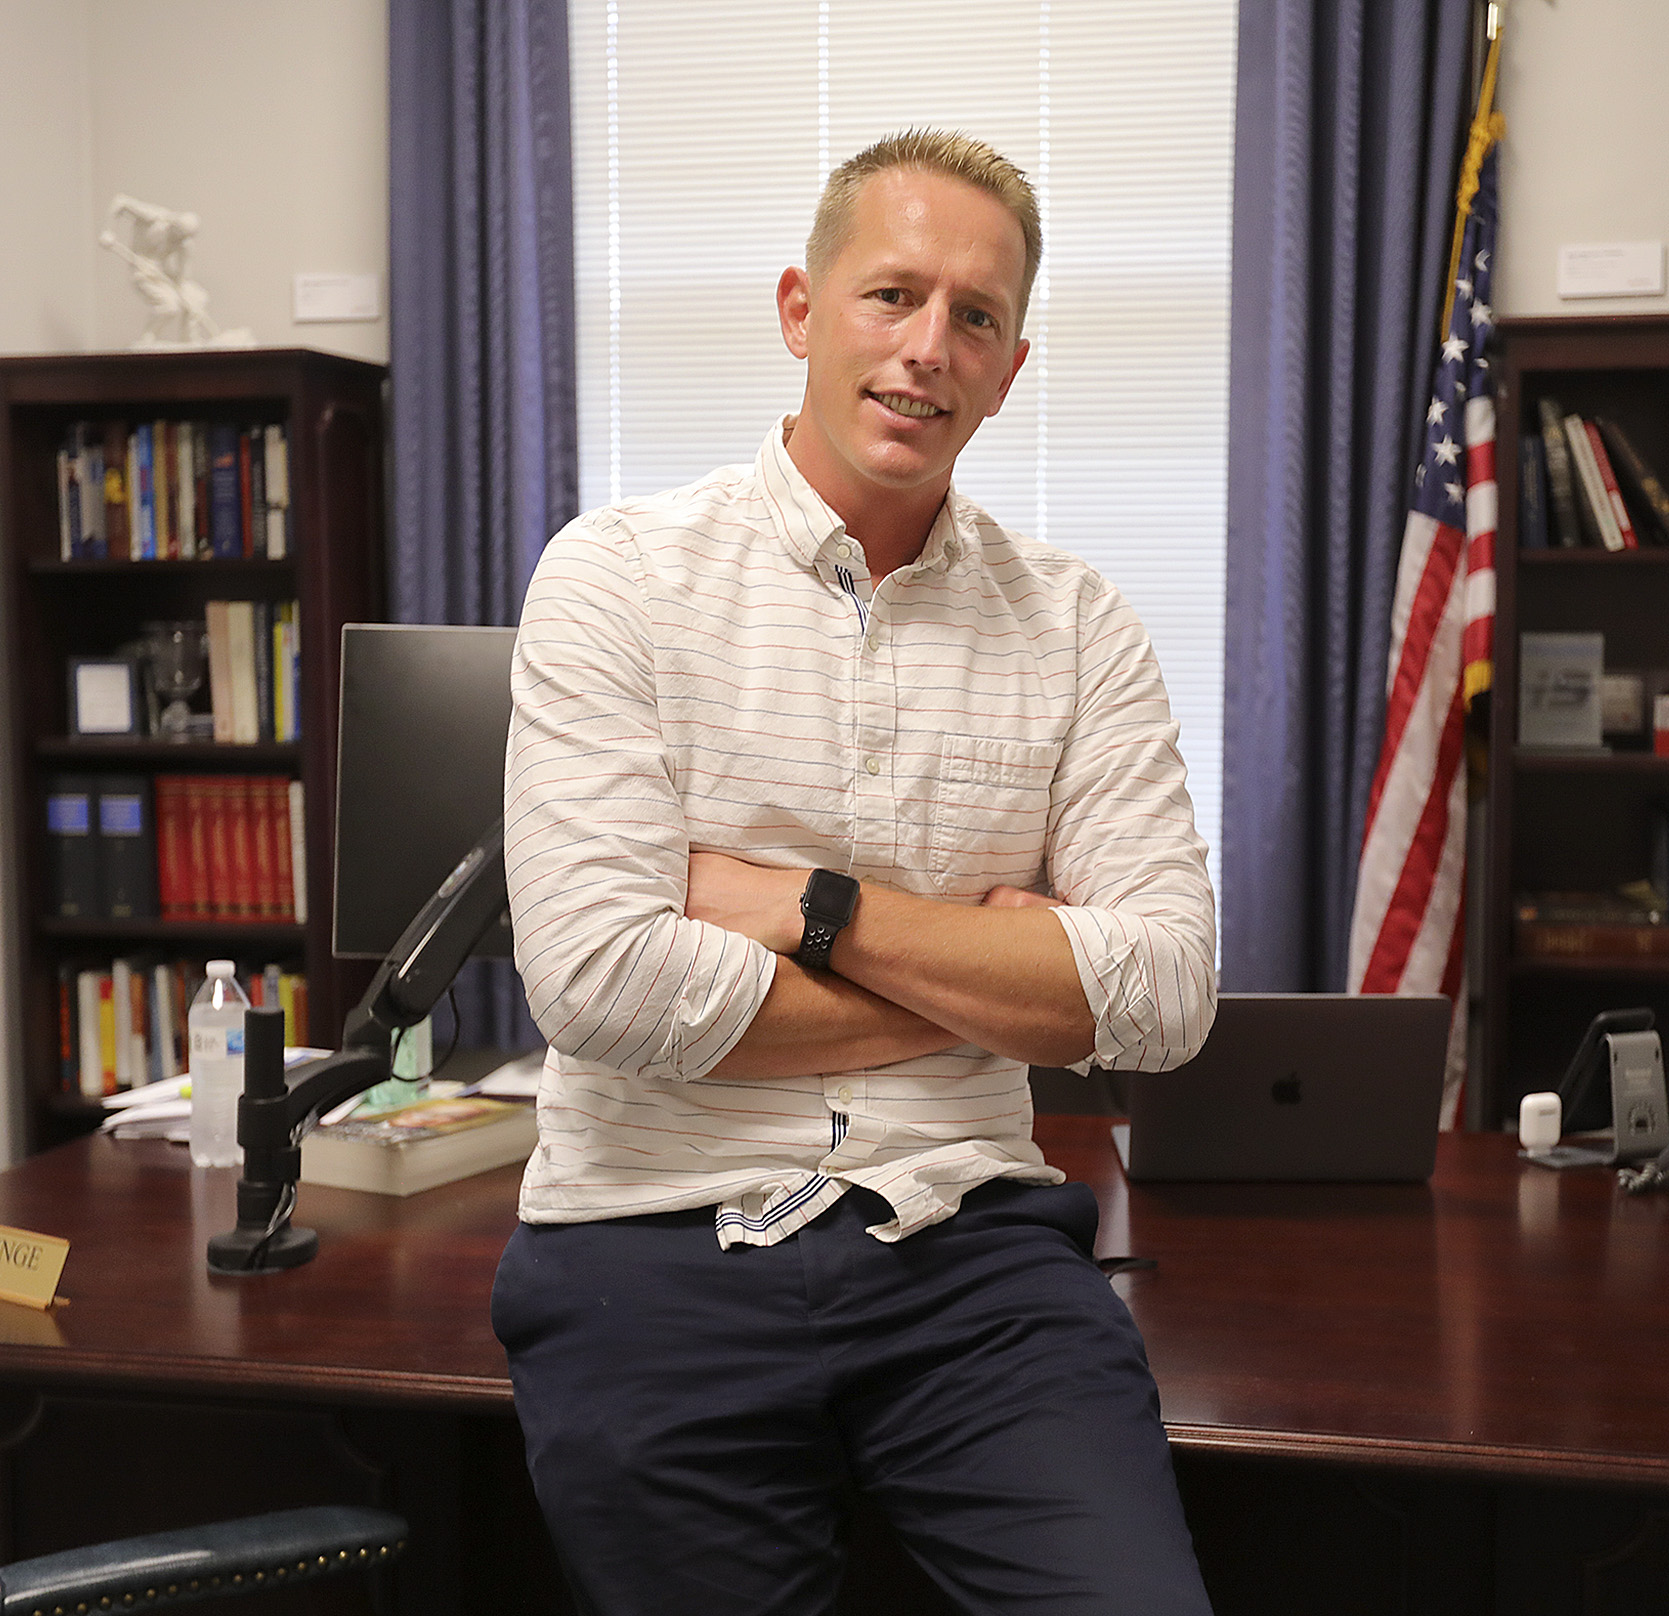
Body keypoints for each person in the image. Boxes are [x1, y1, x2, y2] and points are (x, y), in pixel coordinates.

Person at [494, 128, 1218, 1615]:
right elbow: (600, 983)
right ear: (798, 311)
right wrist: (1001, 983)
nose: (926, 349)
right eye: (891, 295)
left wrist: (811, 910)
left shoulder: (1077, 627)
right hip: (650, 1237)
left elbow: (1160, 995)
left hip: (972, 1250)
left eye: (976, 317)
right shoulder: (615, 578)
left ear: (1012, 367)